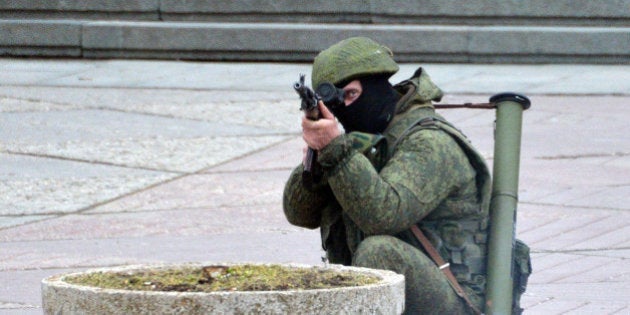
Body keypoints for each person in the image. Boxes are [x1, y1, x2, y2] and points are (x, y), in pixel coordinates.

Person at [282, 37, 491, 314]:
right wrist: (319, 156)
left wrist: (335, 150)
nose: (345, 107)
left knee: (378, 252)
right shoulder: (361, 140)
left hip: (458, 297)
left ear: (379, 85)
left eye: (352, 94)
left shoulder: (429, 142)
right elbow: (299, 214)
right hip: (395, 299)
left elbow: (383, 215)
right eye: (337, 101)